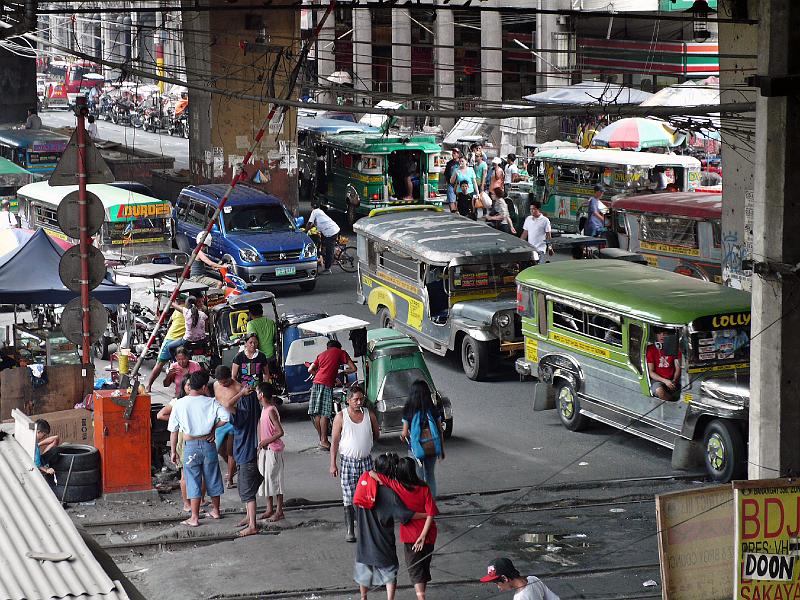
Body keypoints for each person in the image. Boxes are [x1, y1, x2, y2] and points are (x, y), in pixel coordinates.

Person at [353, 453, 420, 600]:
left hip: (364, 538)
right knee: (390, 572)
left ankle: (363, 597)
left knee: (364, 570)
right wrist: (426, 514)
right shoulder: (390, 494)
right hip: (383, 541)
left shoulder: (363, 483)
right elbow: (405, 516)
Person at [371, 456, 439, 600]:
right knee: (424, 567)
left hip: (411, 536)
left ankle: (421, 598)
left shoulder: (397, 486)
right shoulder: (424, 487)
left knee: (415, 569)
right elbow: (431, 513)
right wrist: (424, 536)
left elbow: (374, 474)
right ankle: (422, 595)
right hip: (429, 534)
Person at [168, 371, 228, 527]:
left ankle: (194, 517)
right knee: (213, 477)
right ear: (203, 386)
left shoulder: (179, 403)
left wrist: (173, 451)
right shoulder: (211, 401)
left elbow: (173, 430)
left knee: (193, 479)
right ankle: (216, 511)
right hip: (208, 445)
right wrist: (214, 428)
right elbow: (226, 418)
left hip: (190, 447)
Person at [215, 364, 263, 537]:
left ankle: (252, 524)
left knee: (247, 489)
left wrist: (239, 396)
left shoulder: (244, 397)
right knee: (245, 484)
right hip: (244, 446)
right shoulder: (246, 398)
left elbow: (229, 406)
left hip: (246, 449)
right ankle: (248, 517)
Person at [330, 385, 380, 543]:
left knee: (367, 495)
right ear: (348, 400)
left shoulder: (368, 414)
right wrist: (333, 463)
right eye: (355, 399)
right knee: (348, 497)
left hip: (366, 462)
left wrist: (366, 444)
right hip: (347, 463)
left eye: (361, 399)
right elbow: (335, 442)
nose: (359, 402)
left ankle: (366, 528)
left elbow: (376, 433)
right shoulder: (341, 417)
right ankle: (350, 530)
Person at [308, 339, 357, 450]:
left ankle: (322, 440)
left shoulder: (321, 355)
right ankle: (324, 441)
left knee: (317, 413)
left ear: (328, 347)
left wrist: (323, 375)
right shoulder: (341, 352)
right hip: (326, 384)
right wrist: (343, 372)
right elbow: (354, 368)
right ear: (338, 347)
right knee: (325, 413)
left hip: (316, 383)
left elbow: (310, 369)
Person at [401, 380, 444, 498]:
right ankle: (431, 503)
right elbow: (440, 430)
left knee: (417, 477)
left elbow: (404, 433)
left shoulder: (408, 411)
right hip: (432, 447)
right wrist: (441, 450)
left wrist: (404, 436)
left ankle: (421, 503)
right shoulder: (433, 409)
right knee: (430, 475)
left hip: (416, 450)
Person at [256, 381, 285, 522]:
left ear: (261, 395)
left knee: (275, 480)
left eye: (257, 392)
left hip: (273, 450)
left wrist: (266, 441)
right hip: (265, 449)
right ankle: (269, 508)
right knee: (266, 479)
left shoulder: (271, 410)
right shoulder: (264, 409)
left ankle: (279, 510)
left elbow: (280, 432)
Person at [145, 299, 187, 393]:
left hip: (172, 339)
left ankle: (149, 385)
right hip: (183, 340)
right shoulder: (194, 310)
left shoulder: (179, 310)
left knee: (160, 363)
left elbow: (169, 323)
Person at [480, 557, 560, 600]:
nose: (498, 587)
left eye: (497, 583)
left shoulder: (520, 597)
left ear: (504, 578)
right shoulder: (533, 579)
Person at [646, 328, 682, 401]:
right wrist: (665, 381)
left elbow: (678, 368)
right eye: (659, 333)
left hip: (672, 380)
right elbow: (651, 372)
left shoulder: (675, 348)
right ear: (656, 335)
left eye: (665, 333)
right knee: (660, 391)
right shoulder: (651, 350)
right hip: (657, 380)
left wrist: (674, 381)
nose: (662, 336)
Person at [308, 202, 340, 274]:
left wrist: (305, 231)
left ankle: (327, 269)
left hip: (331, 232)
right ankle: (323, 255)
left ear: (312, 207)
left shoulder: (314, 211)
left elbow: (310, 223)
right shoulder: (319, 211)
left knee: (329, 250)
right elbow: (314, 223)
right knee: (322, 244)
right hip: (329, 231)